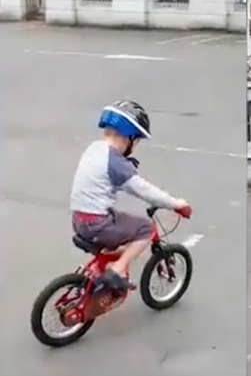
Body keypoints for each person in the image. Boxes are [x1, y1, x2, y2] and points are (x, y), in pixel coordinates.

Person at [69, 100, 191, 292]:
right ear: (128, 137)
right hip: (97, 224)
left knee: (119, 221)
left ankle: (101, 270)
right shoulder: (115, 161)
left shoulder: (93, 149)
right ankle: (118, 270)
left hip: (78, 219)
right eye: (136, 140)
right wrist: (175, 204)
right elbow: (143, 190)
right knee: (145, 228)